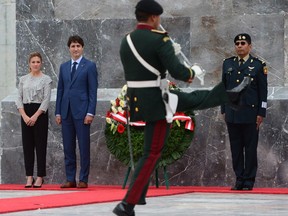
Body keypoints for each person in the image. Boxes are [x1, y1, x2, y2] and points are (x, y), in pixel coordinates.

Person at [112, 1, 250, 215]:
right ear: (153, 18)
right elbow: (179, 72)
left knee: (192, 99)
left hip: (138, 101)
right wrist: (192, 72)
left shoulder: (126, 40)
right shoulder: (160, 39)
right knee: (152, 152)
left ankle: (229, 94)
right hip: (158, 101)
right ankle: (126, 204)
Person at [221, 33, 268, 191]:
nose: (239, 46)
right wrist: (223, 109)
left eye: (243, 43)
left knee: (250, 148)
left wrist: (261, 112)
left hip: (250, 114)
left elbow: (263, 92)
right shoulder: (227, 64)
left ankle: (248, 181)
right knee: (236, 149)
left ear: (250, 46)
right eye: (237, 43)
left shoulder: (258, 65)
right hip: (232, 114)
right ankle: (239, 179)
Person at [55, 35, 98, 189]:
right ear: (69, 48)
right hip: (66, 112)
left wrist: (90, 113)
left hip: (82, 113)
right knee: (68, 147)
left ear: (82, 48)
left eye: (78, 46)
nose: (75, 49)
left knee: (84, 147)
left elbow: (93, 92)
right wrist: (58, 112)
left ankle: (83, 179)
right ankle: (70, 178)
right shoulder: (64, 67)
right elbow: (60, 90)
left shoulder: (89, 66)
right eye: (73, 46)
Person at [16, 52, 52, 188]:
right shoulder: (23, 79)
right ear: (29, 64)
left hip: (40, 114)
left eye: (38, 62)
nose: (35, 64)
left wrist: (35, 116)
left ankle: (40, 176)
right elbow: (18, 98)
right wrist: (24, 116)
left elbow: (46, 100)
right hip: (25, 113)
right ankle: (29, 176)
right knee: (27, 146)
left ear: (41, 63)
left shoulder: (46, 79)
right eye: (33, 62)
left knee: (40, 146)